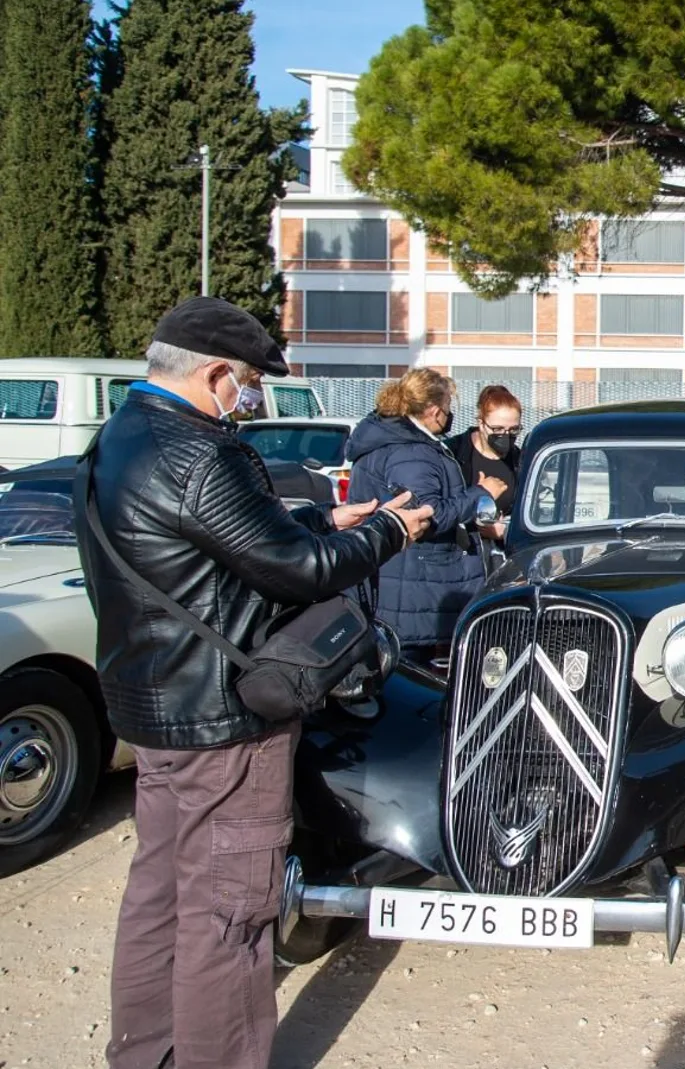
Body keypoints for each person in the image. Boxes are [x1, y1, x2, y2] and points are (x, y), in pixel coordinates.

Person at [76, 297, 432, 1069]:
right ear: (213, 375)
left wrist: (322, 521)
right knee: (230, 910)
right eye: (246, 384)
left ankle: (144, 1054)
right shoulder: (202, 452)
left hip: (152, 706)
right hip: (226, 718)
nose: (251, 399)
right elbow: (298, 573)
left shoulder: (119, 438)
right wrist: (387, 532)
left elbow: (207, 548)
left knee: (159, 894)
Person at [345, 368, 507, 656]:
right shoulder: (411, 452)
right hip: (415, 595)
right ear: (433, 411)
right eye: (447, 408)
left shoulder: (396, 441)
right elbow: (426, 516)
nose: (449, 415)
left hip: (405, 587)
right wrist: (481, 494)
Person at [450, 384, 523, 518]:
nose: (505, 435)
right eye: (497, 429)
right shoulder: (453, 453)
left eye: (513, 430)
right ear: (481, 423)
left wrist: (505, 530)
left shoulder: (520, 460)